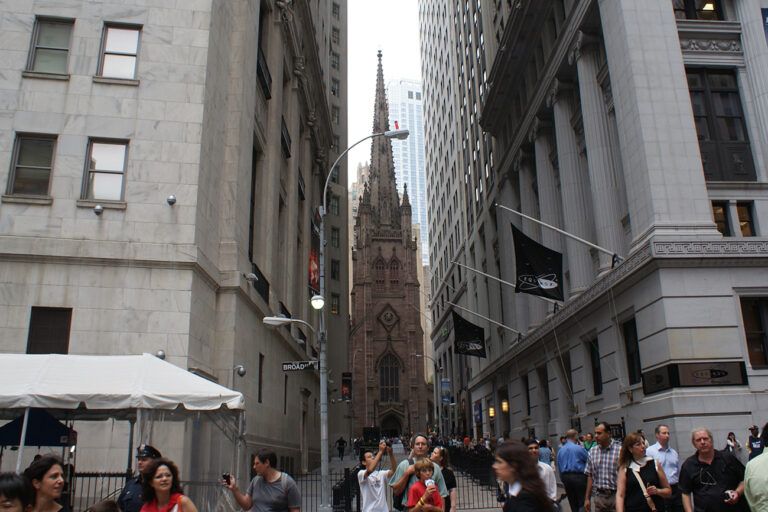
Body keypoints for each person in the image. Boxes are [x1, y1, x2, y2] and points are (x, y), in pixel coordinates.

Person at [678, 428, 747, 512]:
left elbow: (745, 480)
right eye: (698, 440)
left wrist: (737, 492)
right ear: (694, 444)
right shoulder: (688, 465)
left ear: (711, 440)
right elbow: (685, 493)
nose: (702, 442)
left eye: (705, 438)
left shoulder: (728, 458)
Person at [389, 433, 448, 510]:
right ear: (413, 447)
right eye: (417, 444)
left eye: (423, 444)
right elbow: (396, 491)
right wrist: (407, 473)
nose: (420, 446)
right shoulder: (404, 465)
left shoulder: (435, 467)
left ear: (428, 447)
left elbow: (442, 494)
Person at [616, 432, 671, 512]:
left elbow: (668, 491)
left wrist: (657, 491)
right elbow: (620, 495)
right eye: (638, 444)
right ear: (630, 449)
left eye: (643, 443)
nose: (643, 446)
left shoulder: (654, 463)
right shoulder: (625, 468)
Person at [493, 441, 553, 512]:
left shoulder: (525, 500)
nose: (494, 466)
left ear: (513, 465)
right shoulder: (516, 493)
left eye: (499, 462)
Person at [584, 421, 621, 512]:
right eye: (595, 433)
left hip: (616, 496)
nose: (596, 436)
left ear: (608, 434)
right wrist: (587, 499)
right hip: (599, 497)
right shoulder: (592, 452)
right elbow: (590, 476)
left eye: (599, 433)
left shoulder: (620, 450)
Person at [646, 424, 682, 512]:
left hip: (676, 489)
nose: (667, 435)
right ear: (657, 435)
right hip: (661, 490)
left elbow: (677, 470)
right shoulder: (650, 451)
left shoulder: (673, 452)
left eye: (668, 433)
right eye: (664, 433)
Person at [119, 444, 162, 512]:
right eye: (139, 459)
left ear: (155, 462)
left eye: (144, 460)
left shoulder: (159, 484)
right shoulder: (131, 484)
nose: (139, 462)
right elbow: (120, 507)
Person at [358, 440, 397, 512]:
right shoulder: (361, 473)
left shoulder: (381, 474)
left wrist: (391, 454)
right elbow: (370, 470)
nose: (373, 458)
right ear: (363, 462)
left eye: (373, 456)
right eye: (369, 457)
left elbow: (394, 471)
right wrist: (380, 452)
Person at [557, 429, 589, 512]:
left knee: (572, 501)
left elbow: (559, 466)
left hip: (566, 477)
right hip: (578, 477)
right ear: (575, 436)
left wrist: (563, 479)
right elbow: (589, 460)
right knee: (582, 501)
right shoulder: (579, 448)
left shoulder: (560, 450)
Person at [430, 446, 457, 512]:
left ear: (440, 458)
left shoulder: (448, 472)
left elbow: (452, 489)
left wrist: (453, 507)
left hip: (444, 502)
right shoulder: (426, 468)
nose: (432, 453)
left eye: (435, 453)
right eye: (433, 452)